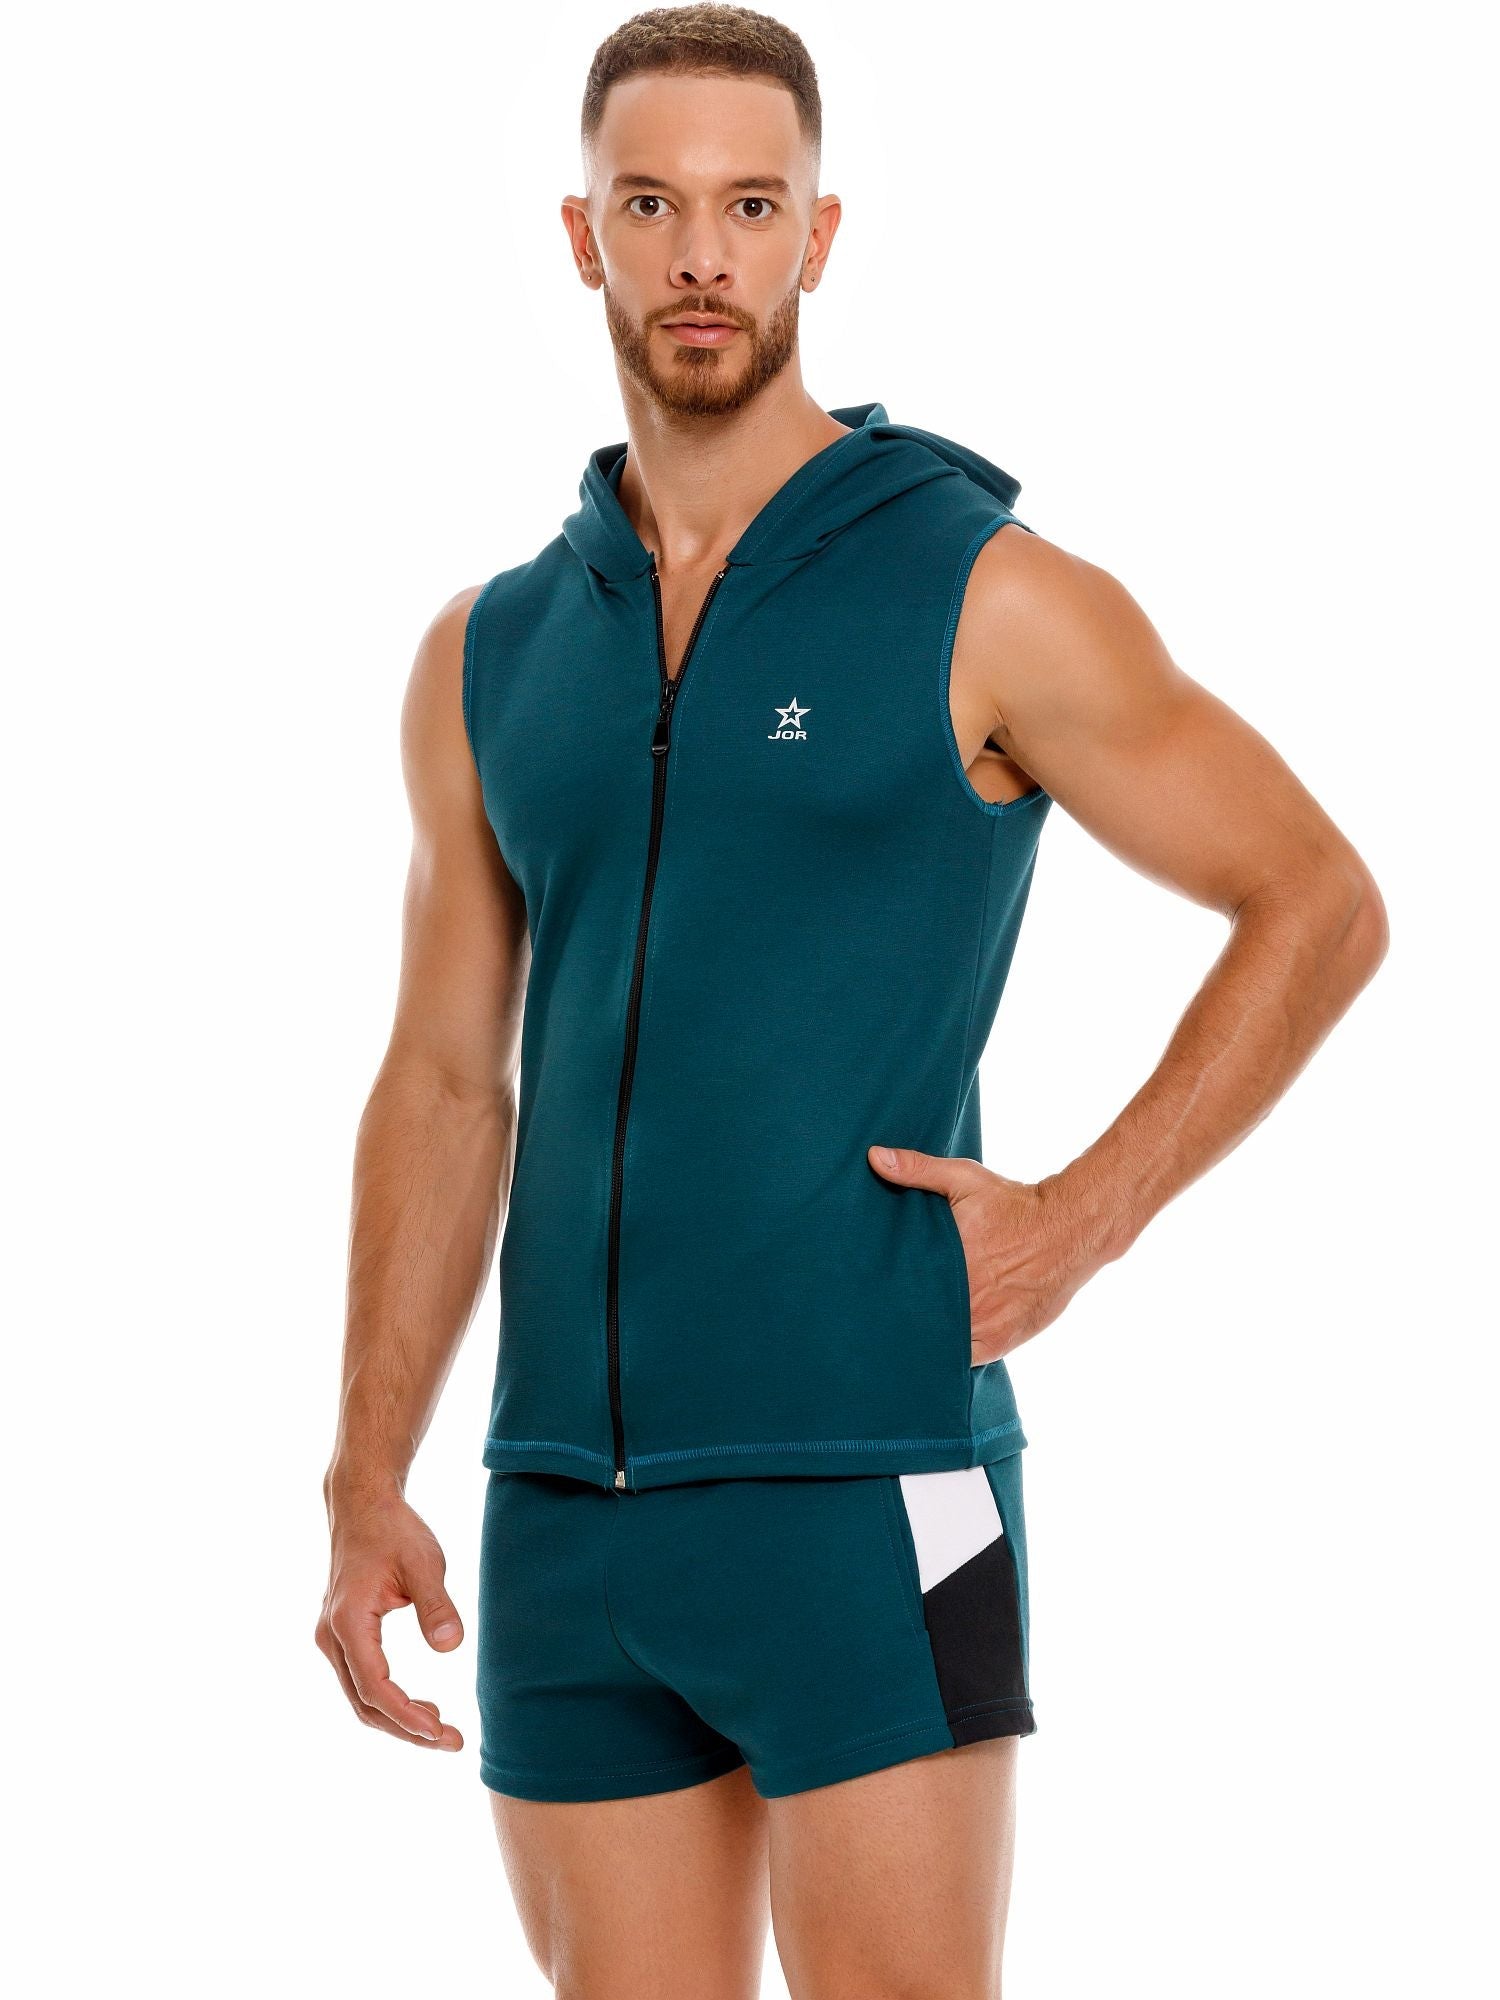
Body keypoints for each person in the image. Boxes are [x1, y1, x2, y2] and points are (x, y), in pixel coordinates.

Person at [316, 7, 1389, 1994]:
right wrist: (367, 1469)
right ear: (583, 235)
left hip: (875, 1485)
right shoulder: (493, 651)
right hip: (564, 1518)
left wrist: (1084, 1217)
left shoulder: (982, 591)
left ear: (819, 235)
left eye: (752, 207)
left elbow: (1315, 901)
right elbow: (448, 1080)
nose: (701, 255)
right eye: (653, 205)